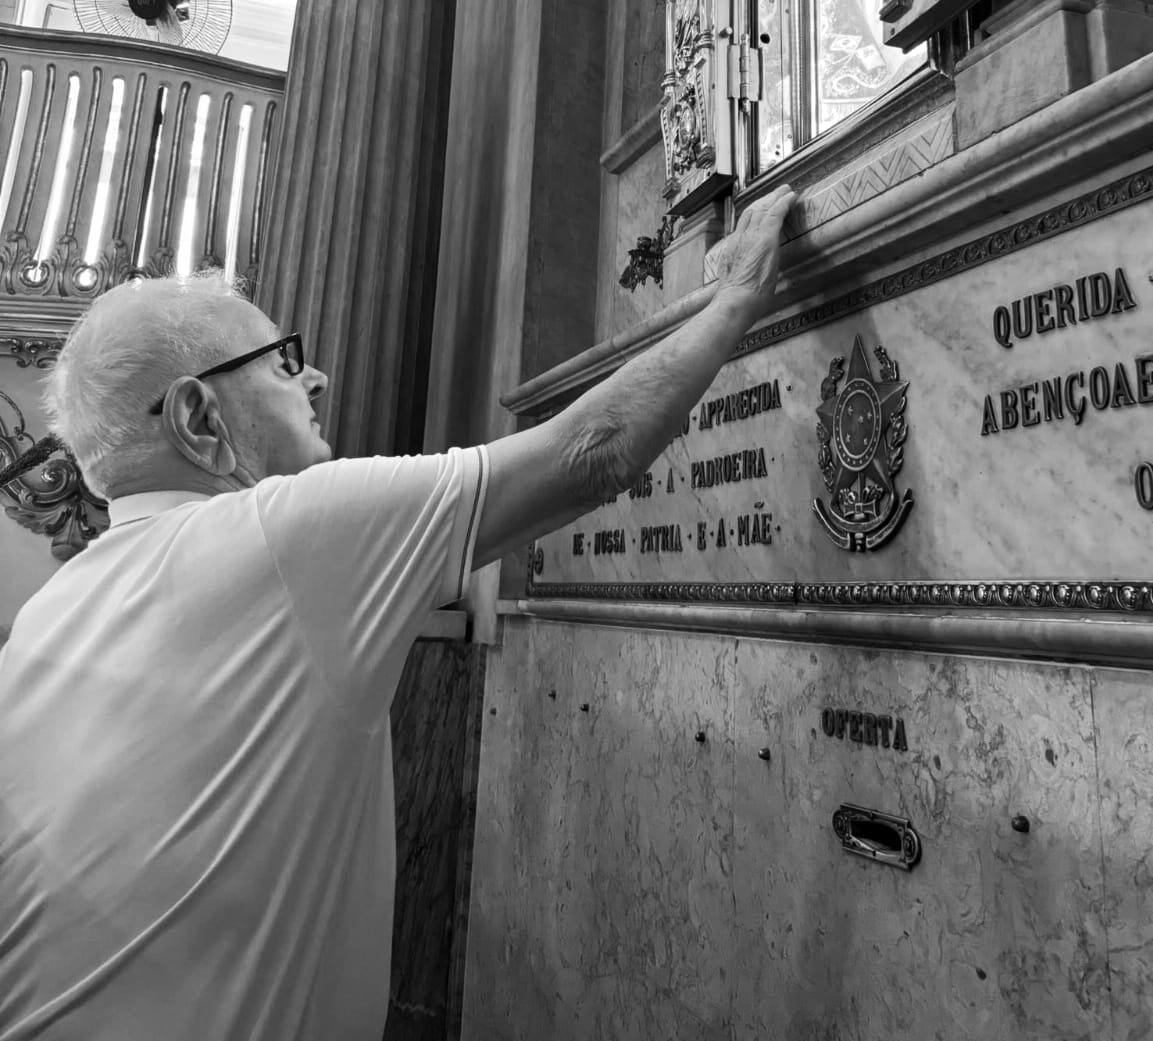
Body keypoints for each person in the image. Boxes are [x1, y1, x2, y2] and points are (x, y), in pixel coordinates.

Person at [0, 184, 795, 1041]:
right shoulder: (277, 535)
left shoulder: (48, 615)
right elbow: (587, 452)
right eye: (280, 361)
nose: (316, 378)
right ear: (200, 417)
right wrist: (737, 297)